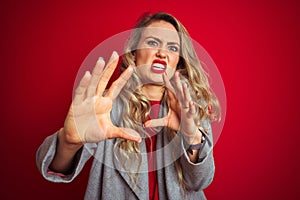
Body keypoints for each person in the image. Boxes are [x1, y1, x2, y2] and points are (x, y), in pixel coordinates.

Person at [36, 12, 220, 200]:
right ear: (134, 51)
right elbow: (56, 168)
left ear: (178, 60)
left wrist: (191, 136)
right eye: (153, 42)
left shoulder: (191, 104)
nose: (162, 53)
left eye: (172, 47)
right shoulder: (106, 104)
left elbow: (200, 181)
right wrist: (68, 142)